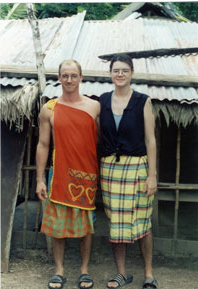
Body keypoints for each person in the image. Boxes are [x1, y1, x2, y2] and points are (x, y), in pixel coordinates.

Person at [36, 59, 100, 289]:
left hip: (86, 174)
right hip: (59, 173)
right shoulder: (49, 108)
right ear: (59, 78)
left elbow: (98, 139)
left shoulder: (94, 106)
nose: (69, 80)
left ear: (81, 77)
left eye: (74, 75)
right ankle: (59, 270)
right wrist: (40, 179)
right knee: (57, 226)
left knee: (86, 226)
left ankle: (84, 270)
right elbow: (43, 144)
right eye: (65, 75)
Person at [99, 54, 158, 289]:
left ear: (132, 72)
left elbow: (150, 140)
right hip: (110, 169)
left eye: (124, 70)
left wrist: (152, 175)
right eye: (116, 70)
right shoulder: (102, 101)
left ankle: (149, 273)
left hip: (137, 168)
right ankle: (121, 273)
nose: (120, 74)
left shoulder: (143, 101)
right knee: (117, 223)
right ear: (110, 74)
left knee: (142, 222)